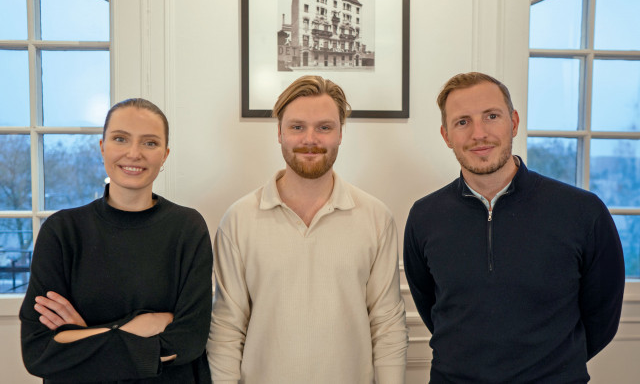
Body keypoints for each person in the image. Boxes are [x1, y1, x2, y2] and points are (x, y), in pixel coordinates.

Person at [404, 72, 625, 383]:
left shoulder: (582, 211)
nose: (479, 134)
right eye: (462, 122)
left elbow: (602, 317)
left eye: (491, 116)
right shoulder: (424, 216)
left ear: (514, 122)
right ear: (446, 135)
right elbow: (431, 308)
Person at [207, 75, 408, 384]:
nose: (310, 139)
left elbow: (388, 325)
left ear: (341, 133)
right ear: (279, 133)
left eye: (324, 127)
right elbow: (226, 329)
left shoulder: (376, 217)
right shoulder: (239, 219)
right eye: (297, 127)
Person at [20, 98, 213, 383]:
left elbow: (187, 342)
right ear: (102, 148)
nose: (133, 153)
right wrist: (141, 325)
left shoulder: (187, 227)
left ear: (165, 154)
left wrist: (82, 335)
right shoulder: (62, 231)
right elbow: (39, 351)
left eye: (149, 143)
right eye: (120, 139)